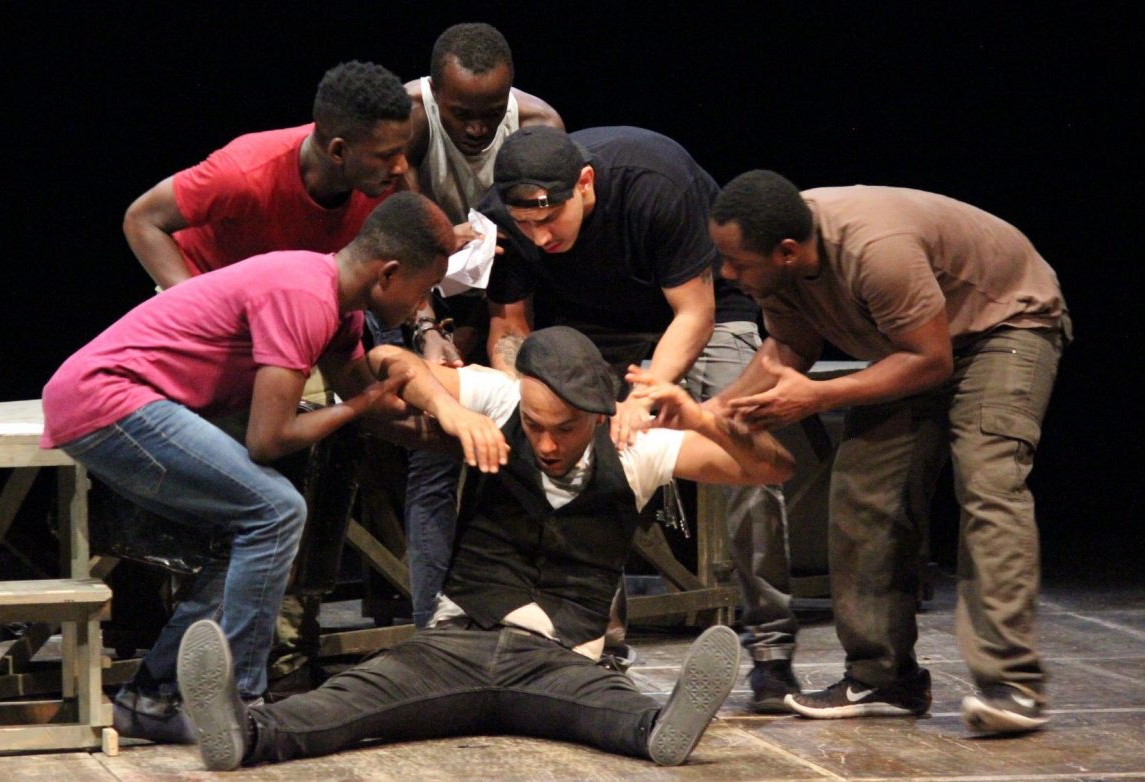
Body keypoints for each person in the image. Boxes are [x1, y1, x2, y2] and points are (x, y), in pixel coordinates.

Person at [173, 326, 796, 770]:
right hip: (455, 641)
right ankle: (244, 733)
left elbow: (771, 469)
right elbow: (389, 358)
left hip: (557, 656)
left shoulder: (640, 449)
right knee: (355, 698)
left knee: (608, 708)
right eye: (535, 426)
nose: (547, 444)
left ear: (601, 414)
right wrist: (451, 409)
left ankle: (663, 729)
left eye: (566, 429)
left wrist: (699, 415)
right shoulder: (501, 400)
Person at [41, 192, 463, 743]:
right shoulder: (303, 294)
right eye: (422, 288)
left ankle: (152, 698)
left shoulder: (341, 309)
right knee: (276, 509)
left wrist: (460, 434)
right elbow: (271, 440)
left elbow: (377, 408)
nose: (420, 306)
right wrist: (356, 406)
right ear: (388, 273)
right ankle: (241, 701)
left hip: (124, 403)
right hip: (108, 398)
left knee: (249, 532)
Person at [707, 170, 1070, 734]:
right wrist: (714, 412)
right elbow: (790, 346)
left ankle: (1012, 684)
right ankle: (884, 675)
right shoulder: (779, 269)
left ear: (784, 251)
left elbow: (932, 361)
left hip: (1004, 324)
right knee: (862, 493)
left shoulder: (876, 251)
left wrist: (819, 397)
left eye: (737, 263)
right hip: (908, 347)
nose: (727, 274)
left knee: (987, 482)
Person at [480, 125, 800, 709]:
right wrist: (519, 391)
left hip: (700, 317)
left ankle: (772, 649)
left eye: (549, 218)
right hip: (589, 333)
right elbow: (510, 326)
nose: (539, 235)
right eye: (524, 224)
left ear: (584, 184)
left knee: (742, 440)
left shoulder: (653, 182)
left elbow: (694, 313)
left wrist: (648, 393)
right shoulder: (501, 217)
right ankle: (599, 644)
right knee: (567, 454)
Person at [400, 22, 564, 631]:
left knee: (533, 438)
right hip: (417, 290)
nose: (475, 128)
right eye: (461, 113)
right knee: (435, 450)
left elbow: (544, 248)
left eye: (490, 114)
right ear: (436, 95)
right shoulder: (410, 117)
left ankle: (536, 614)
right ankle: (430, 625)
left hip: (509, 294)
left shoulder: (541, 126)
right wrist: (429, 328)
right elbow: (401, 238)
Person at [122, 60, 412, 289]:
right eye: (387, 155)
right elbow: (143, 219)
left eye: (402, 152)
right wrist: (197, 306)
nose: (401, 166)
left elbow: (405, 254)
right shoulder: (242, 173)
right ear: (338, 152)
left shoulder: (385, 181)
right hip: (204, 294)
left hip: (287, 304)